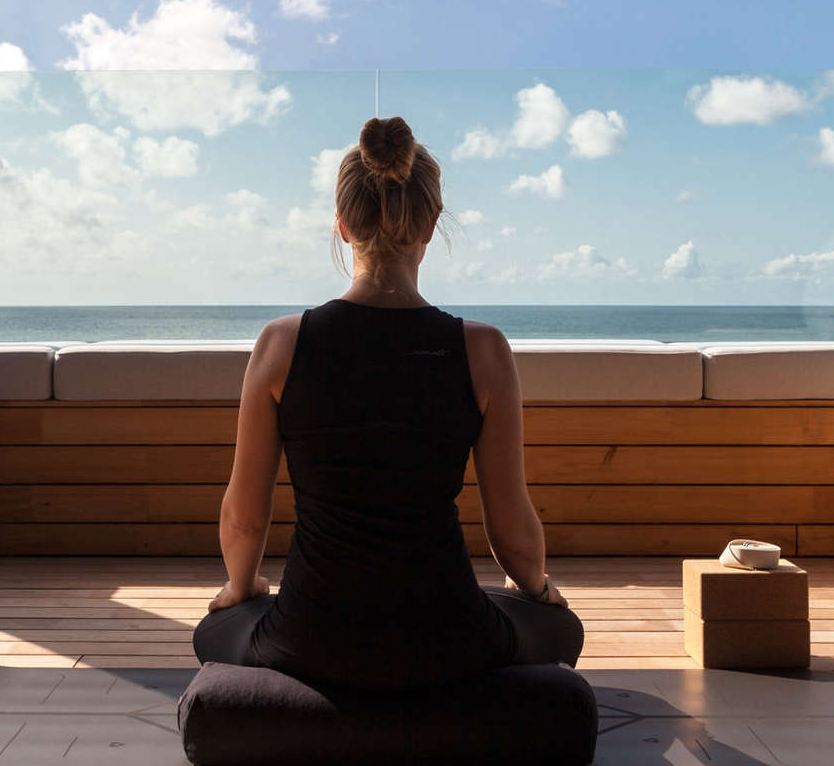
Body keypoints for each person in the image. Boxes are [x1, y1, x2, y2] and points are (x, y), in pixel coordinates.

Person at [191, 115, 583, 690]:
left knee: (214, 630)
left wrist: (241, 588)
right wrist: (541, 593)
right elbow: (512, 535)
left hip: (308, 638)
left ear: (343, 226)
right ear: (430, 223)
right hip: (450, 640)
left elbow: (242, 518)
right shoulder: (485, 351)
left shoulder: (281, 343)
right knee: (561, 631)